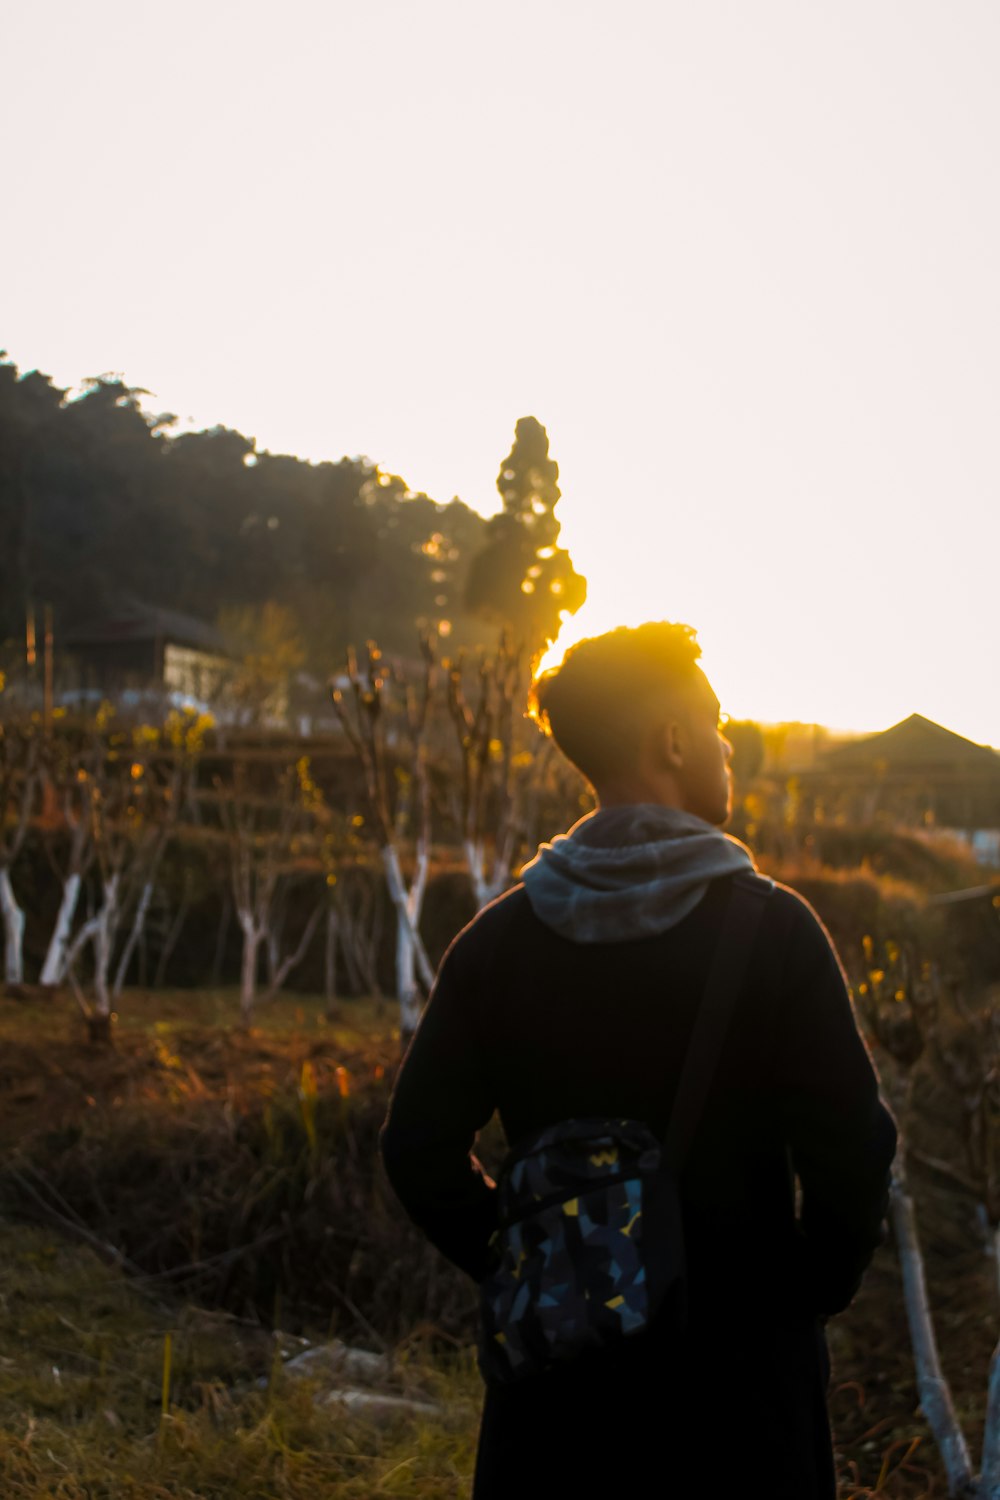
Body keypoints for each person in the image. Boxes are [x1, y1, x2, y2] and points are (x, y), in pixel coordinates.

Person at [380, 620, 897, 1499]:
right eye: (717, 722)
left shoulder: (497, 942)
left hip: (556, 1401)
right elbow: (854, 1152)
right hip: (738, 1404)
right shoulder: (772, 934)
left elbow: (417, 1150)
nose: (728, 745)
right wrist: (801, 1292)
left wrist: (545, 1258)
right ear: (673, 739)